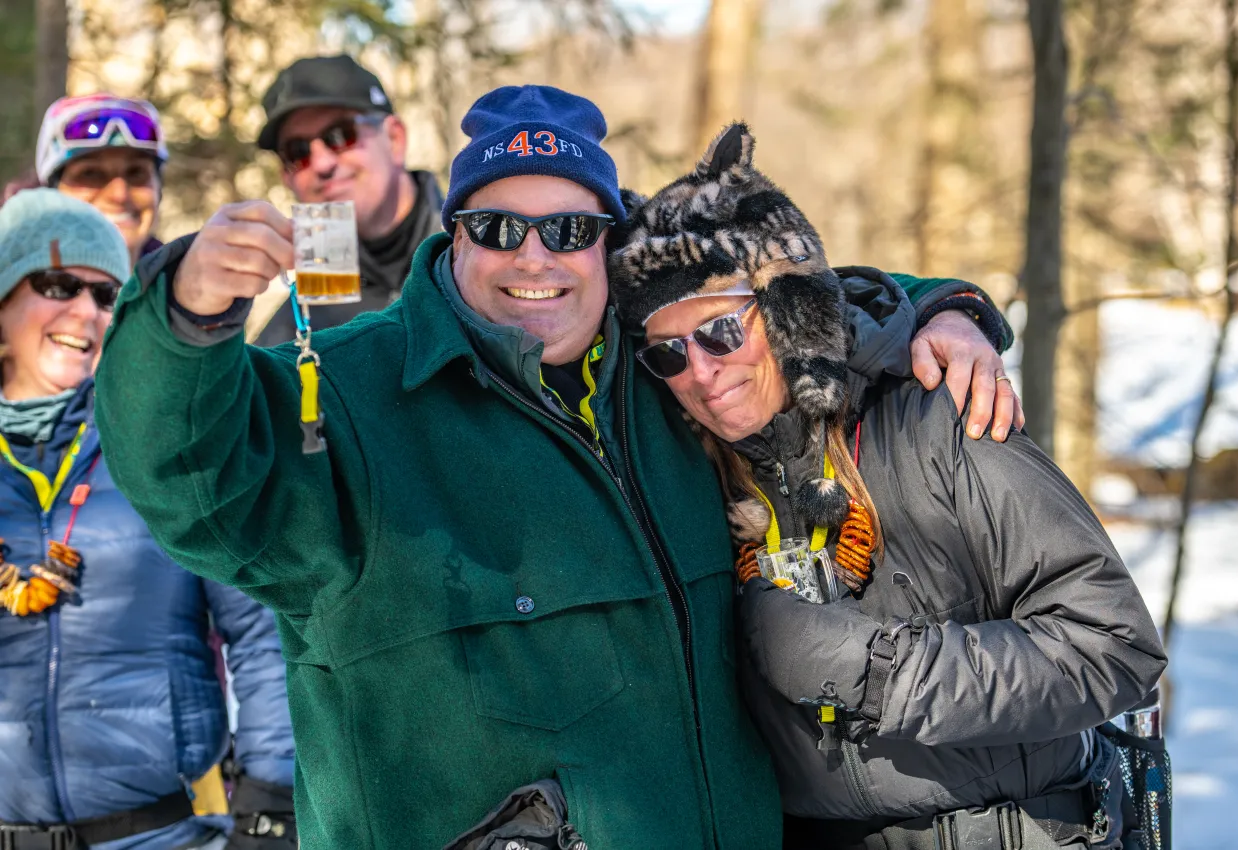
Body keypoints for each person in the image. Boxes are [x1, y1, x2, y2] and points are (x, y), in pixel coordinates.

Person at [95, 86, 1022, 848]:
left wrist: (937, 311)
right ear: (452, 235)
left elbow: (796, 303)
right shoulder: (350, 394)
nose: (534, 258)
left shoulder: (672, 367)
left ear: (612, 247)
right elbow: (193, 484)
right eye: (499, 228)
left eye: (571, 232)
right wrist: (187, 315)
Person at [607, 123, 1167, 849]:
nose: (702, 372)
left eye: (719, 331)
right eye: (668, 354)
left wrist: (874, 673)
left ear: (783, 310)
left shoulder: (938, 416)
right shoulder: (688, 476)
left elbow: (1114, 646)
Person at [0, 190, 296, 850]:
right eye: (57, 284)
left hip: (161, 834)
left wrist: (273, 809)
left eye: (108, 296)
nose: (85, 311)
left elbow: (261, 628)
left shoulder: (161, 447)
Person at [250, 54, 444, 346]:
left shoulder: (478, 249)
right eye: (297, 151)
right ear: (286, 176)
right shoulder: (294, 332)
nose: (321, 163)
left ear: (394, 139)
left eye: (341, 135)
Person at [35, 94, 169, 266]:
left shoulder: (187, 287)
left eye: (136, 172)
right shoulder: (11, 287)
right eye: (90, 174)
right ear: (51, 195)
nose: (119, 195)